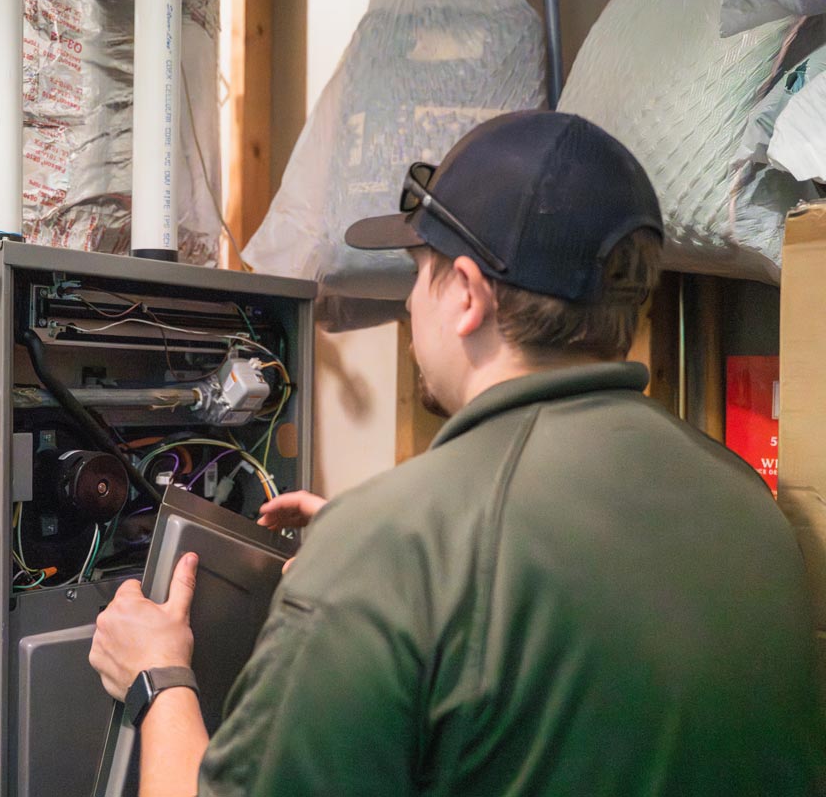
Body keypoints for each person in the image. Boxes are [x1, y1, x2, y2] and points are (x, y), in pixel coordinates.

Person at [88, 111, 825, 796]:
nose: (410, 305)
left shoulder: (394, 548)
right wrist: (389, 541)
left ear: (466, 294)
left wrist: (157, 675)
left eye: (418, 273)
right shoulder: (745, 499)